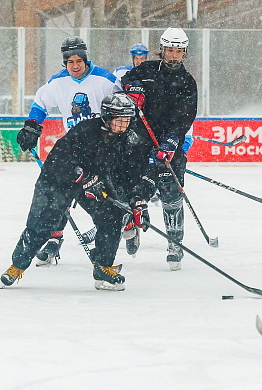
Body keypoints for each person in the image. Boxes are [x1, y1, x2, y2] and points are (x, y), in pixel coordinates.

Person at [0, 93, 155, 291]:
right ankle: (16, 266)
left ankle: (103, 268)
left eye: (127, 121)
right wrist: (84, 178)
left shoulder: (128, 140)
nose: (123, 126)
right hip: (57, 181)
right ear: (107, 117)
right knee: (41, 226)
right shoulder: (86, 131)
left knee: (112, 216)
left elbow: (130, 176)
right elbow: (59, 160)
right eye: (119, 121)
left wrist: (138, 202)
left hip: (95, 183)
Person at [16, 36, 121, 266]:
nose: (75, 66)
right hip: (72, 150)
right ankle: (54, 239)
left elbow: (121, 105)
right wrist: (32, 127)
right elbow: (40, 103)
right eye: (70, 61)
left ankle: (108, 247)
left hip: (101, 149)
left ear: (86, 59)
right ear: (64, 62)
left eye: (79, 61)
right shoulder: (57, 82)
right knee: (57, 196)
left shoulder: (104, 80)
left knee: (107, 201)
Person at [122, 27, 197, 271]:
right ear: (162, 49)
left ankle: (175, 242)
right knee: (132, 187)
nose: (173, 55)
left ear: (184, 53)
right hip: (141, 140)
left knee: (171, 191)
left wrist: (172, 141)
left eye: (178, 51)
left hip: (168, 144)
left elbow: (186, 116)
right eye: (169, 50)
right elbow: (126, 80)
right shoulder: (146, 70)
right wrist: (133, 90)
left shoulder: (187, 82)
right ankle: (132, 227)